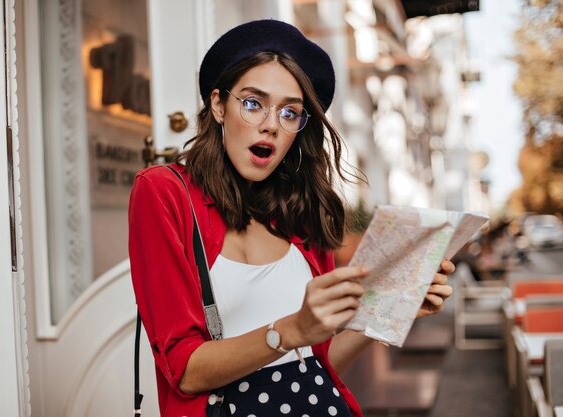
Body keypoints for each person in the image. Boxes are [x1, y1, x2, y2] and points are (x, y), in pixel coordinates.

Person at [128, 19, 454, 417]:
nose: (270, 124)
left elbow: (319, 364)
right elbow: (184, 372)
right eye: (252, 103)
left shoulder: (301, 211)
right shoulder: (164, 192)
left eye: (289, 113)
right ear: (218, 105)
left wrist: (392, 307)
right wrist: (291, 330)